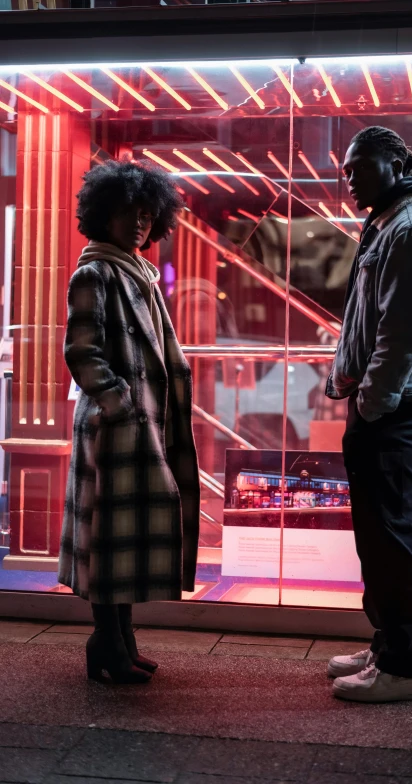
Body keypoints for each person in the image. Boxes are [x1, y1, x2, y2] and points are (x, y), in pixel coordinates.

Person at [58, 160, 200, 684]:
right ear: (104, 214)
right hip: (116, 430)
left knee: (126, 540)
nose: (139, 223)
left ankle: (120, 641)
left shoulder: (136, 271)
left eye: (147, 214)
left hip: (142, 428)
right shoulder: (94, 272)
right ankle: (108, 642)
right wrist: (123, 406)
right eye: (127, 212)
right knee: (110, 541)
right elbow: (81, 352)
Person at [325, 126, 412, 702]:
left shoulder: (409, 229)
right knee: (378, 534)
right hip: (379, 403)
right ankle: (388, 645)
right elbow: (369, 322)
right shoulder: (386, 224)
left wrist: (370, 403)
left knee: (391, 535)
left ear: (397, 163)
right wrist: (346, 384)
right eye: (346, 171)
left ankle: (406, 666)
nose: (348, 179)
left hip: (389, 406)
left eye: (360, 167)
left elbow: (403, 333)